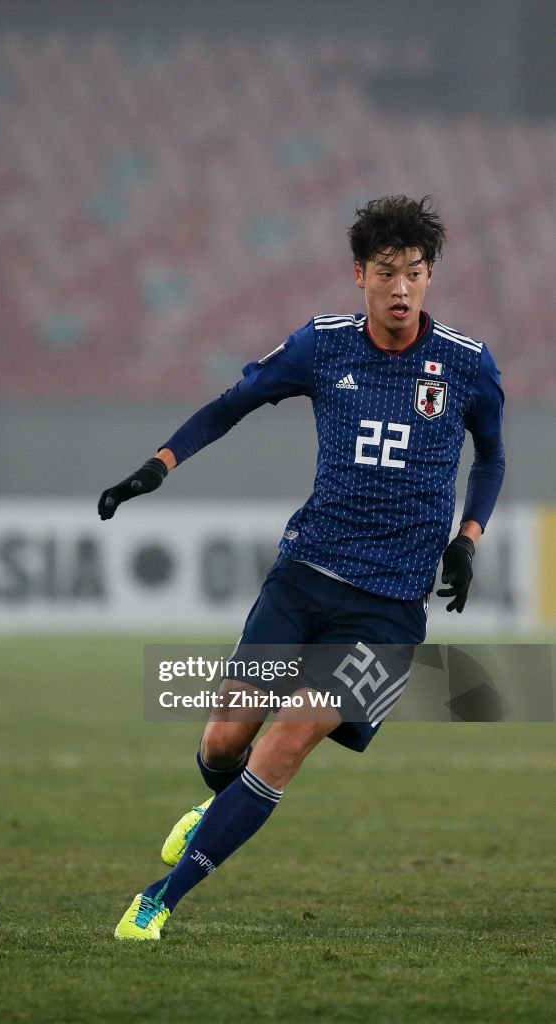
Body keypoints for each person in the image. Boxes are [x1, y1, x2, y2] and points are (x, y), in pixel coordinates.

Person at [99, 195, 505, 940]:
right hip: (306, 575)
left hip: (388, 609)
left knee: (288, 740)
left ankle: (159, 900)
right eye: (385, 273)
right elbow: (232, 404)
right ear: (358, 275)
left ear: (429, 278)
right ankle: (213, 809)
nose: (400, 288)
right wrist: (157, 466)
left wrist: (468, 538)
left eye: (414, 273)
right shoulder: (321, 346)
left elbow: (493, 455)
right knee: (225, 739)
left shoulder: (467, 365)